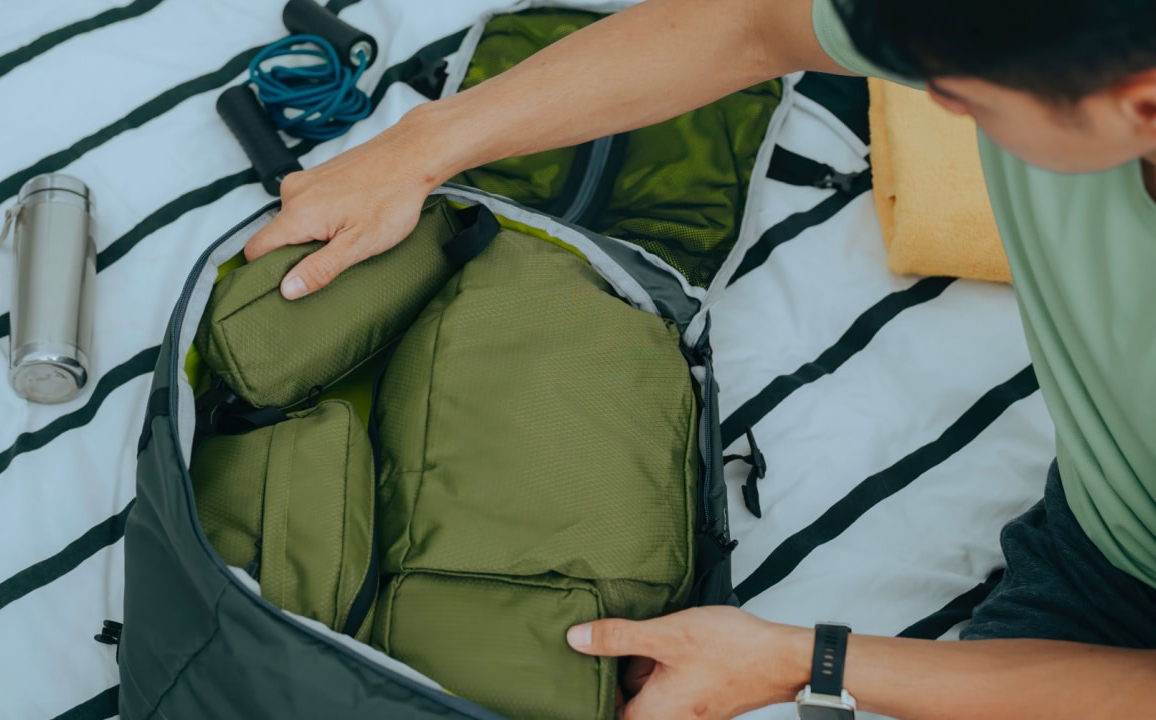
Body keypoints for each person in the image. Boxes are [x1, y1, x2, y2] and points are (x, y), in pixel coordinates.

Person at [244, 0, 1156, 717]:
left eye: (961, 96)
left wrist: (807, 664)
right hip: (1100, 536)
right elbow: (750, 23)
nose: (931, 102)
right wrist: (417, 150)